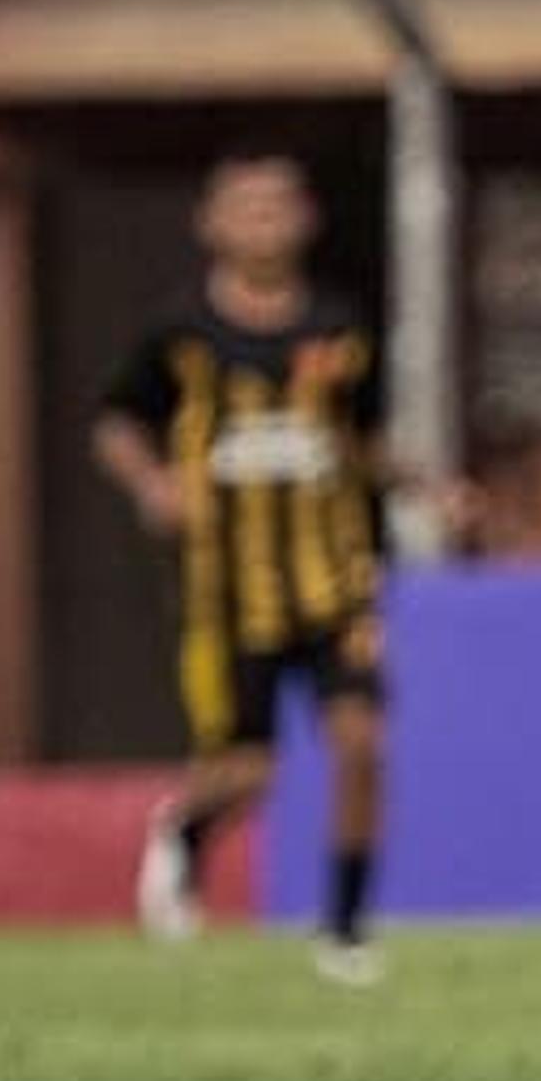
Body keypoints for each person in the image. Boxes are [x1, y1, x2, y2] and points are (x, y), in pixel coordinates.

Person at [92, 152, 393, 986]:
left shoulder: (338, 329)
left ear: (306, 220)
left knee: (363, 743)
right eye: (245, 206)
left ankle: (346, 926)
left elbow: (363, 443)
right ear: (212, 224)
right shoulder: (180, 334)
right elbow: (116, 421)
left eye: (277, 205)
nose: (263, 221)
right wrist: (153, 483)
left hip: (335, 582)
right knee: (249, 770)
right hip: (229, 590)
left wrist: (431, 485)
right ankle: (186, 828)